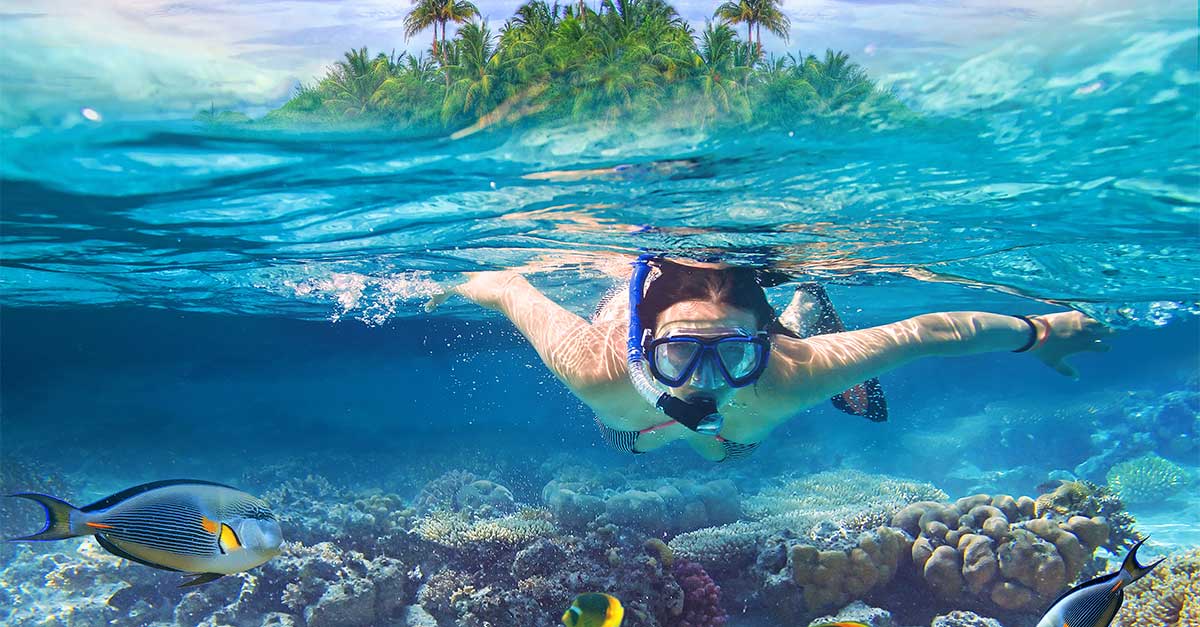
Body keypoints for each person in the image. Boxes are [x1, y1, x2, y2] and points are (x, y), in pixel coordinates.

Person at [425, 256, 1111, 462]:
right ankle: (693, 431)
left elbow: (927, 330)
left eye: (732, 354)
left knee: (736, 441)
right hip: (636, 419)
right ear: (643, 346)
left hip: (768, 380)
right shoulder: (595, 367)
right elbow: (509, 285)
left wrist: (1038, 332)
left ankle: (803, 309)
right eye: (682, 352)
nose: (705, 379)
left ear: (767, 344)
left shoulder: (791, 370)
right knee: (633, 438)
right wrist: (437, 285)